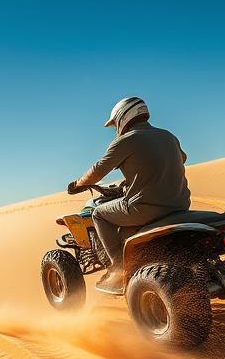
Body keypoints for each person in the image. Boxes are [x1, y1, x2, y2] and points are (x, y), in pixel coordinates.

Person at [68, 96, 191, 294]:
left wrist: (79, 184)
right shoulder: (168, 136)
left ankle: (119, 266)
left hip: (144, 208)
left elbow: (98, 170)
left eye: (115, 122)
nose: (116, 127)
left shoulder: (125, 141)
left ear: (123, 117)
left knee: (98, 214)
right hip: (180, 204)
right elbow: (182, 158)